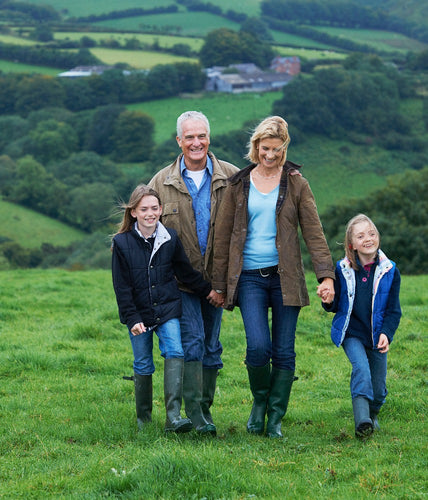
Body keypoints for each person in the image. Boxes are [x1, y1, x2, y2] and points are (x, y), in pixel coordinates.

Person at [212, 115, 335, 438]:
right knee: (257, 348)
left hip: (286, 277)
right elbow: (223, 238)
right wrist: (219, 284)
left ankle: (276, 417)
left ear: (285, 147)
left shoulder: (296, 182)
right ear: (256, 147)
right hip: (250, 277)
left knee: (284, 351)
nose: (270, 155)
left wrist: (326, 276)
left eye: (277, 149)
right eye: (265, 148)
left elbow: (314, 232)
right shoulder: (238, 184)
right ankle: (259, 403)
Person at [148, 111, 239, 435]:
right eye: (189, 137)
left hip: (219, 283)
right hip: (181, 284)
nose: (196, 142)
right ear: (179, 141)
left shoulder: (233, 177)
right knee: (194, 341)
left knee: (213, 346)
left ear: (209, 138)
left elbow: (243, 231)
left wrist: (230, 282)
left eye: (201, 136)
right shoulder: (161, 182)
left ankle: (205, 409)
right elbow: (147, 233)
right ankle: (195, 414)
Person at [112, 184, 213, 433]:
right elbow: (121, 287)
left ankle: (173, 417)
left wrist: (209, 291)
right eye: (144, 209)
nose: (150, 213)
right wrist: (131, 317)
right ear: (133, 212)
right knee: (143, 363)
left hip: (167, 308)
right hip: (138, 314)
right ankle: (143, 421)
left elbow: (185, 272)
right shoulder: (122, 243)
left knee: (176, 351)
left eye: (155, 208)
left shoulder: (170, 238)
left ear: (161, 210)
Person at [319, 214, 401, 438]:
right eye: (361, 235)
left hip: (376, 336)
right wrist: (327, 301)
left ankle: (373, 414)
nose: (368, 238)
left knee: (379, 388)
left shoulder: (390, 271)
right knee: (361, 370)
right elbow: (336, 304)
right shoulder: (342, 270)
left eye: (372, 233)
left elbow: (394, 310)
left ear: (378, 238)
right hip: (352, 333)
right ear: (351, 244)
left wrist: (386, 333)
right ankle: (362, 420)